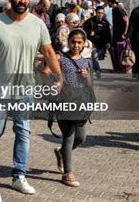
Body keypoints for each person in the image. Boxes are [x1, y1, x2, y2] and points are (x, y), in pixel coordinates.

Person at [0, 0, 62, 195]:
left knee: (23, 131)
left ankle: (19, 175)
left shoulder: (37, 24)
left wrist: (58, 77)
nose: (22, 0)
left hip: (25, 89)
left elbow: (48, 51)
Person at [53, 29, 92, 187]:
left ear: (84, 44)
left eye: (79, 42)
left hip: (80, 105)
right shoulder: (61, 58)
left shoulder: (86, 61)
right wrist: (56, 85)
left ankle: (62, 153)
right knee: (68, 136)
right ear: (68, 41)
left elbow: (90, 85)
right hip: (64, 103)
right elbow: (56, 76)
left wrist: (86, 76)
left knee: (81, 137)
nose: (76, 45)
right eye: (73, 41)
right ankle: (67, 173)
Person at [83, 6, 112, 77]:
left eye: (102, 13)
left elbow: (108, 33)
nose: (100, 14)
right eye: (98, 13)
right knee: (94, 56)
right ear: (96, 13)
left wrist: (108, 42)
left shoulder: (105, 22)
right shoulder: (90, 21)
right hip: (92, 43)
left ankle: (92, 70)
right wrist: (90, 32)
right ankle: (97, 70)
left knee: (95, 57)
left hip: (101, 43)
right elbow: (84, 30)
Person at [107, 0, 129, 71]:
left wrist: (125, 32)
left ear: (110, 2)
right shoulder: (114, 9)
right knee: (114, 51)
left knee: (119, 51)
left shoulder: (118, 9)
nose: (107, 4)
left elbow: (126, 20)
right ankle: (117, 67)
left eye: (108, 2)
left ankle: (120, 67)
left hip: (120, 35)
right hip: (116, 34)